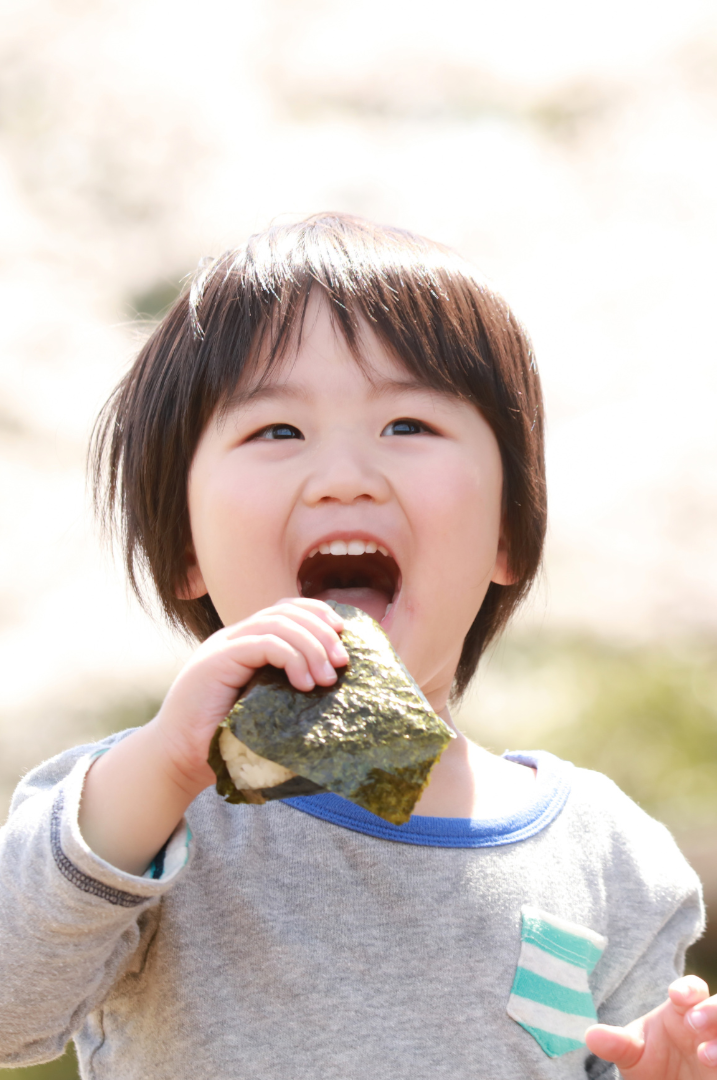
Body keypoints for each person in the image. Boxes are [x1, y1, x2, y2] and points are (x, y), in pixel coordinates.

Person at [0, 213, 715, 1080]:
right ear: (185, 548)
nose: (345, 477)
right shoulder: (142, 815)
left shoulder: (610, 859)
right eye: (276, 432)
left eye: (408, 425)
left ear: (508, 535)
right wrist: (159, 771)